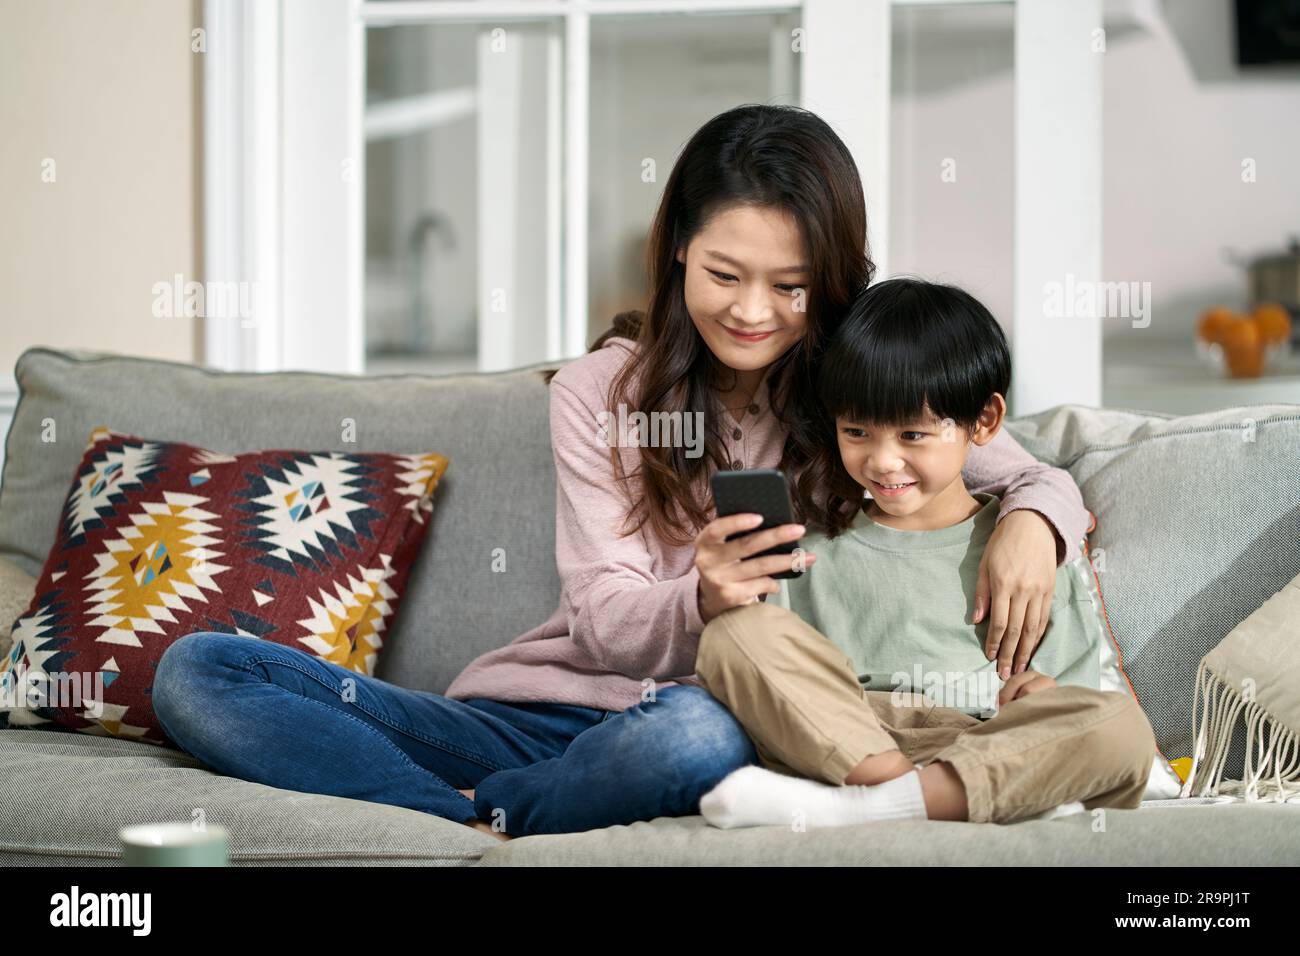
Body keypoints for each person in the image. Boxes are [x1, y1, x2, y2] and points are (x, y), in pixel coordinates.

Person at [151, 104, 1090, 839]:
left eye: (791, 286)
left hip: (701, 725)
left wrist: (1032, 521)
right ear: (678, 243)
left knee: (698, 735)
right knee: (200, 669)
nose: (754, 311)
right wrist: (701, 602)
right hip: (541, 714)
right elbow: (601, 621)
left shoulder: (860, 389)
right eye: (726, 274)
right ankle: (481, 813)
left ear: (832, 279)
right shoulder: (604, 390)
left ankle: (485, 811)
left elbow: (1024, 470)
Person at [693, 278, 1157, 829]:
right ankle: (898, 798)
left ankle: (873, 809)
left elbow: (1072, 702)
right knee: (730, 633)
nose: (884, 462)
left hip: (987, 746)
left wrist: (1041, 694)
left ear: (983, 422)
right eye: (857, 431)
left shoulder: (1028, 552)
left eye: (913, 435)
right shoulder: (809, 552)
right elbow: (782, 684)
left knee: (1122, 728)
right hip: (853, 745)